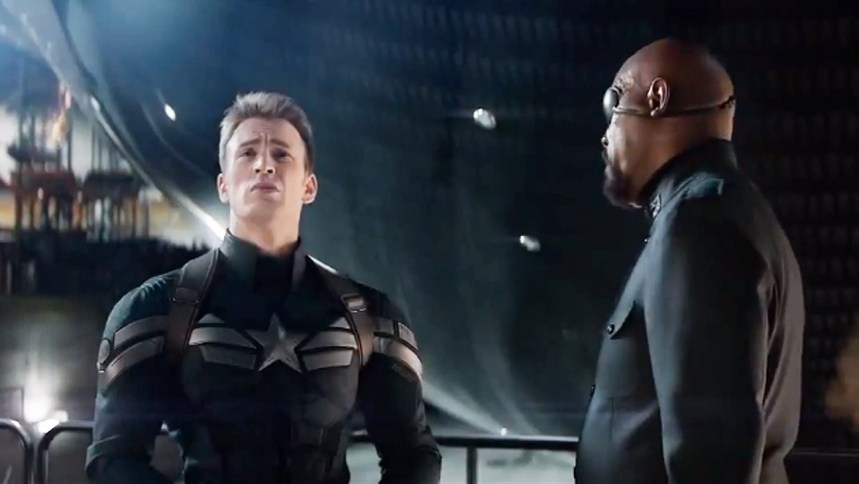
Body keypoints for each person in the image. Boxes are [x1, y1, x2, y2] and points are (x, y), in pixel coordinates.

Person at [86, 92, 442, 483]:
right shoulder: (155, 310)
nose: (264, 165)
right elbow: (113, 461)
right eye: (248, 153)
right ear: (224, 185)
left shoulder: (370, 316)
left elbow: (414, 455)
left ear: (309, 186)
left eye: (281, 154)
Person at [575, 39, 805, 484]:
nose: (605, 134)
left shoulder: (698, 223)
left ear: (656, 98)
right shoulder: (733, 211)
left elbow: (711, 455)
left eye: (613, 102)